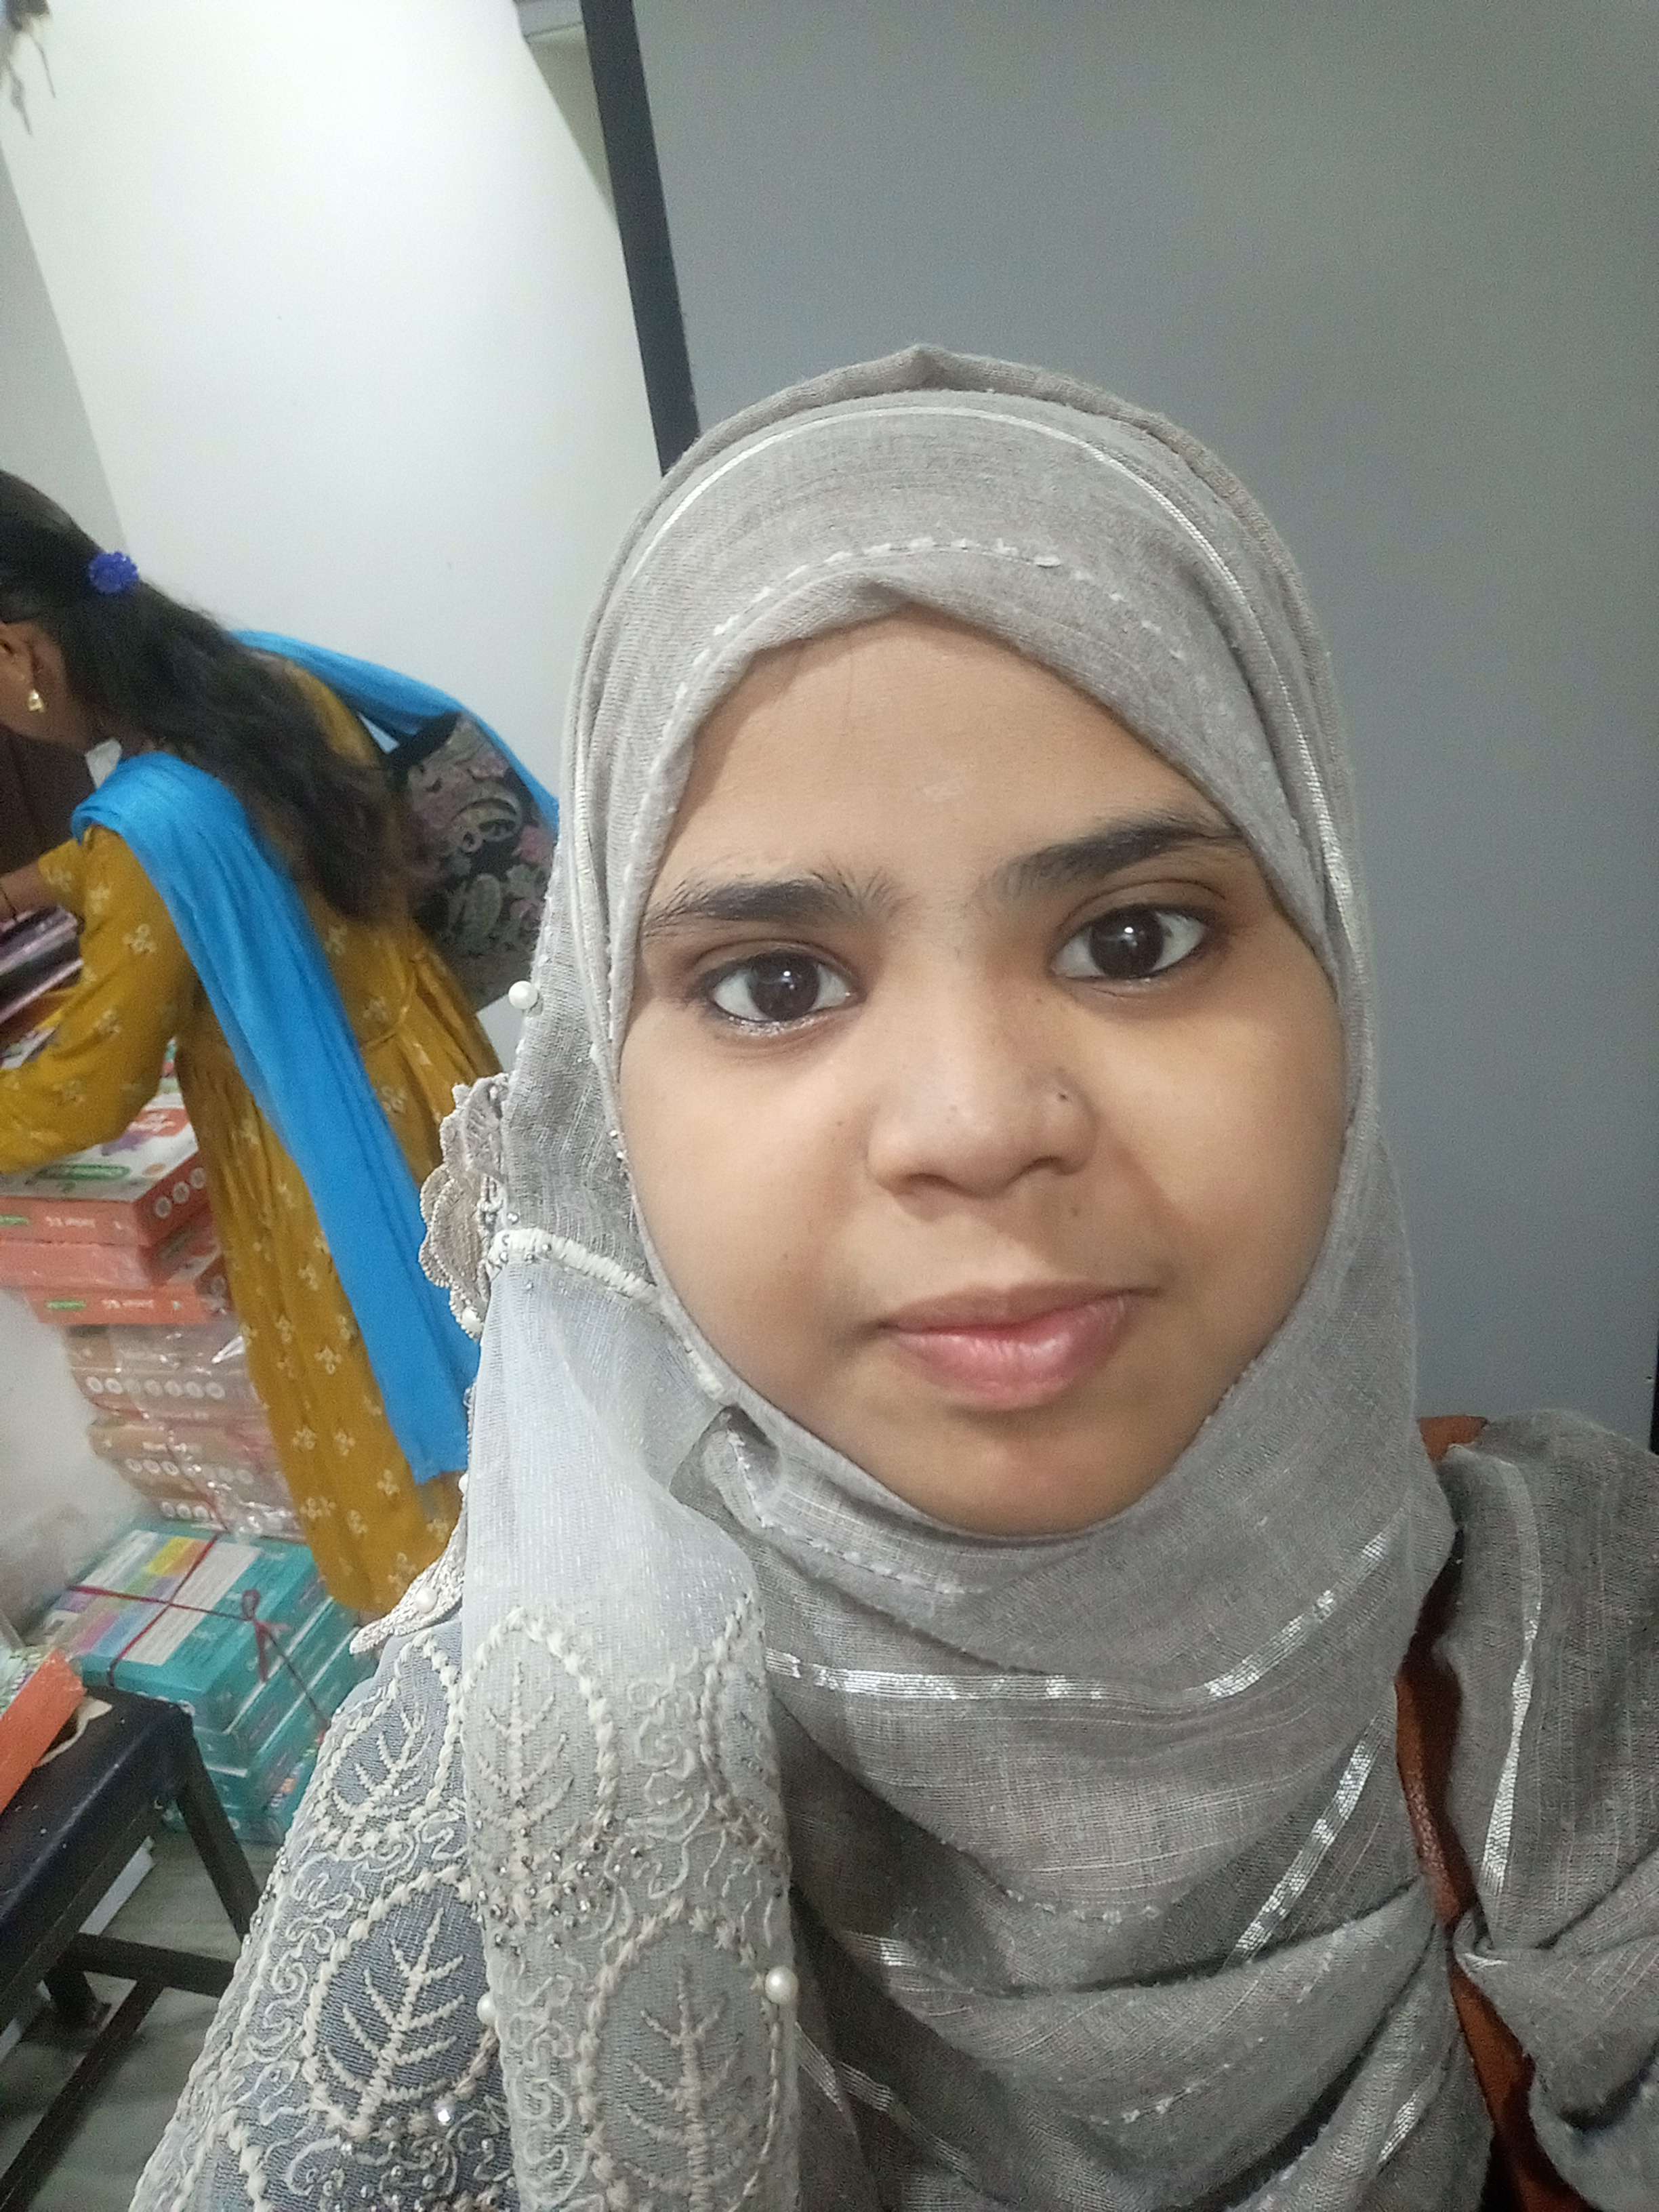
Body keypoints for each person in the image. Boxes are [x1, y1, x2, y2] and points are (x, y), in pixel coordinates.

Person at [134, 351, 1658, 2211]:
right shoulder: (516, 1796)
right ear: (610, 1099)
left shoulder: (1575, 1645)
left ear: (1337, 984)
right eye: (774, 981)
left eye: (1135, 938)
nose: (972, 1127)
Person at [0, 474, 497, 1613]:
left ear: (18, 652)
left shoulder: (147, 830)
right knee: (517, 1364)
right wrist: (40, 881)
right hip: (436, 1080)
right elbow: (228, 836)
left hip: (325, 1162)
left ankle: (475, 1658)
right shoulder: (269, 684)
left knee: (400, 1465)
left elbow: (83, 1094)